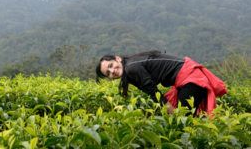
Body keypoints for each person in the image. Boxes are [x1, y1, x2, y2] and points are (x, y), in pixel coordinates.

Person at [95, 50, 228, 117]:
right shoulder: (130, 65)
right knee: (184, 117)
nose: (112, 71)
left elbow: (154, 93)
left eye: (111, 65)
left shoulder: (131, 68)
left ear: (117, 58)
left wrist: (173, 115)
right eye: (108, 73)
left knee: (184, 122)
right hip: (187, 78)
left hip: (190, 79)